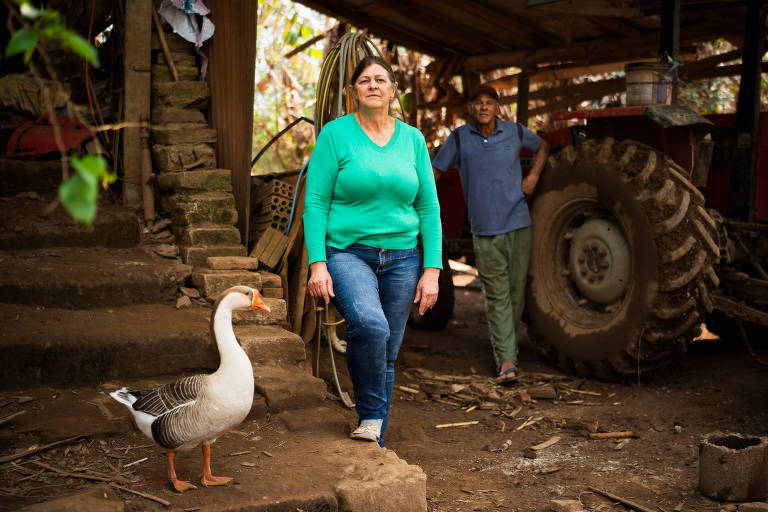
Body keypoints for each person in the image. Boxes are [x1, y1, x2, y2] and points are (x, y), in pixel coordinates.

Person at [303, 55, 442, 448]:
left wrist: (431, 269)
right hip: (348, 252)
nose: (373, 86)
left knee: (389, 351)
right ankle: (371, 418)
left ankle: (374, 435)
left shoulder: (412, 139)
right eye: (365, 80)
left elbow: (428, 207)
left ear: (393, 89)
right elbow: (315, 203)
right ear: (354, 91)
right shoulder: (335, 135)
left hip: (403, 257)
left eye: (381, 79)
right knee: (371, 326)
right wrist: (318, 264)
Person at [432, 84, 548, 384]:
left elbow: (543, 147)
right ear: (471, 108)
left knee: (515, 295)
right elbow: (435, 172)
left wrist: (533, 176)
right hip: (484, 230)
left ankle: (509, 351)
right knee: (497, 297)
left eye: (489, 103)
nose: (483, 107)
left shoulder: (516, 132)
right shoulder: (458, 138)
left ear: (498, 107)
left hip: (519, 225)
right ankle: (507, 361)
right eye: (478, 102)